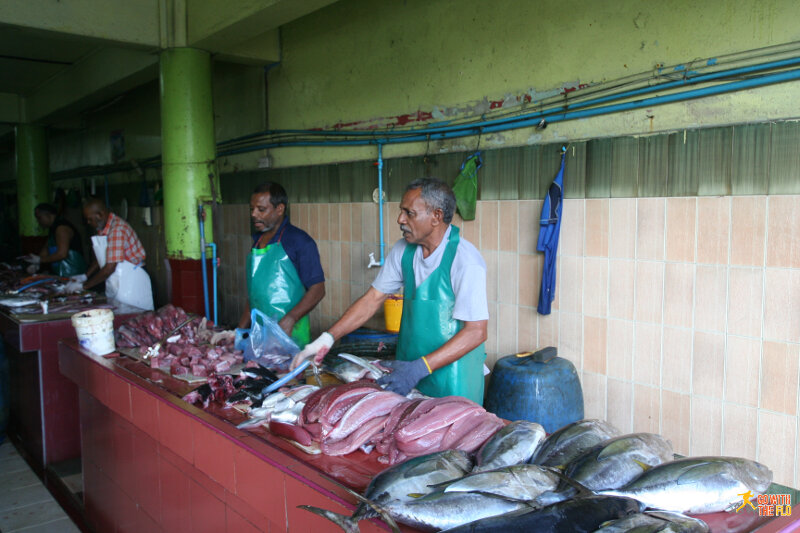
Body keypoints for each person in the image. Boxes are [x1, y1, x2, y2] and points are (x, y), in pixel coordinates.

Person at [292, 178, 489, 403]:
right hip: (408, 370)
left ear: (436, 216)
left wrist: (421, 367)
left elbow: (476, 332)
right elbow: (373, 299)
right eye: (401, 211)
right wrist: (328, 337)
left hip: (454, 378)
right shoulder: (404, 250)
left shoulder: (464, 260)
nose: (400, 219)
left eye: (409, 213)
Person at [236, 183, 325, 348]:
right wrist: (239, 331)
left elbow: (318, 289)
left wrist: (290, 319)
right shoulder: (257, 242)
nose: (254, 214)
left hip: (291, 337)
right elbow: (255, 294)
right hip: (259, 337)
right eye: (252, 209)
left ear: (280, 209)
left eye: (261, 210)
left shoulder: (300, 242)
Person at [77, 197, 154, 310]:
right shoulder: (102, 228)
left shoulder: (117, 230)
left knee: (135, 315)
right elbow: (102, 259)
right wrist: (84, 276)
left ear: (100, 215)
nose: (88, 222)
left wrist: (83, 286)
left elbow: (109, 268)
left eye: (89, 219)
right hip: (118, 278)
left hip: (132, 279)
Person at [22, 203, 87, 277]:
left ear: (48, 215)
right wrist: (36, 264)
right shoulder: (53, 229)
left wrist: (40, 260)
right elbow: (46, 249)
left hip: (73, 273)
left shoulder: (61, 228)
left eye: (39, 218)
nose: (38, 221)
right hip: (60, 273)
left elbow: (62, 254)